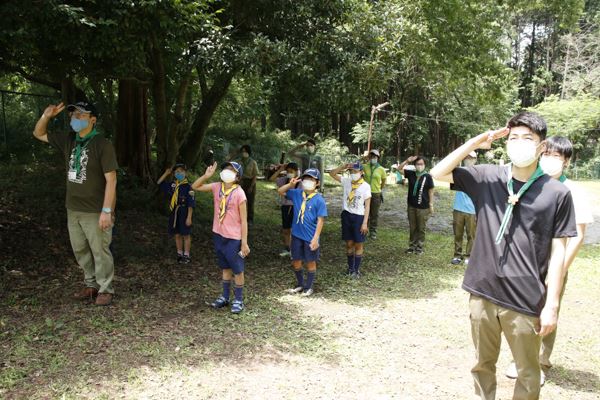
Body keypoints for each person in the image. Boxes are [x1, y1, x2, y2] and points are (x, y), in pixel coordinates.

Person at [430, 111, 577, 400]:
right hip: (482, 291)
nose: (519, 143)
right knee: (482, 364)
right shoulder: (487, 177)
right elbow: (437, 173)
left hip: (524, 298)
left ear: (541, 145)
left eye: (527, 138)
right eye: (513, 138)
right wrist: (476, 141)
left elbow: (559, 251)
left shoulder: (557, 193)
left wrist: (552, 305)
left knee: (527, 372)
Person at [505, 135, 594, 384]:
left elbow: (577, 236)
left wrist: (558, 270)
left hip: (553, 266)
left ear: (566, 162)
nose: (550, 160)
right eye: (546, 154)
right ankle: (519, 359)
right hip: (526, 264)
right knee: (521, 313)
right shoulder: (530, 184)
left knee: (546, 313)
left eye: (556, 156)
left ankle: (541, 362)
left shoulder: (572, 191)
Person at [33, 101, 118, 306]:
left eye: (80, 115)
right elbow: (38, 134)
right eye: (73, 115)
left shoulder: (102, 144)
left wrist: (107, 210)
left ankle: (105, 289)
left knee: (100, 251)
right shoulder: (69, 140)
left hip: (95, 210)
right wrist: (46, 116)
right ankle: (91, 285)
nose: (75, 118)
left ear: (92, 119)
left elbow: (112, 180)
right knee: (80, 250)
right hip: (73, 208)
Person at [191, 161, 250, 314]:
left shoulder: (239, 193)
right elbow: (195, 187)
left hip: (234, 238)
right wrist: (206, 175)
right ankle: (225, 297)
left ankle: (238, 299)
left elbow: (244, 220)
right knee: (225, 267)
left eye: (232, 170)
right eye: (226, 169)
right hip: (218, 234)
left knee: (237, 270)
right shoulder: (217, 186)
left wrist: (244, 242)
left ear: (238, 177)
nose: (227, 172)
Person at [277, 168, 327, 296]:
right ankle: (300, 284)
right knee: (296, 261)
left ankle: (308, 287)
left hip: (310, 237)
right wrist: (290, 184)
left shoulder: (319, 200)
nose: (307, 182)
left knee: (310, 261)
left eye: (311, 179)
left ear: (317, 183)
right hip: (296, 235)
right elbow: (280, 191)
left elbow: (321, 220)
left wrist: (316, 238)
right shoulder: (297, 193)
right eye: (305, 179)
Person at [329, 162, 371, 278]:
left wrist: (365, 223)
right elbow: (332, 174)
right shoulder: (347, 181)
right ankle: (350, 268)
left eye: (356, 172)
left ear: (361, 173)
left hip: (359, 217)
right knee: (349, 243)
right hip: (346, 215)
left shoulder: (366, 186)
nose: (353, 174)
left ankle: (356, 270)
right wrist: (342, 167)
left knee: (358, 244)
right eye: (352, 172)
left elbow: (367, 206)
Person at [157, 163, 195, 264]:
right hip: (174, 212)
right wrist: (166, 173)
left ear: (185, 173)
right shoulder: (173, 185)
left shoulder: (189, 187)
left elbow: (191, 203)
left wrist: (189, 217)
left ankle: (186, 255)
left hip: (184, 211)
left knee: (186, 234)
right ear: (174, 174)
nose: (179, 173)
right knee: (177, 234)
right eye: (177, 172)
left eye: (181, 171)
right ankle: (179, 253)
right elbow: (159, 183)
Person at [398, 156, 434, 254]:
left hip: (423, 207)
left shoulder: (428, 176)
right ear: (415, 165)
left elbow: (431, 191)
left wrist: (431, 205)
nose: (419, 166)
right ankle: (412, 246)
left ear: (424, 165)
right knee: (412, 227)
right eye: (418, 164)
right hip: (411, 206)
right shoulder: (411, 174)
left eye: (421, 164)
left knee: (421, 227)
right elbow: (399, 169)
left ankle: (420, 247)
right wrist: (407, 160)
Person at [450, 151, 477, 265]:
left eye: (471, 158)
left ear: (475, 159)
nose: (469, 159)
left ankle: (469, 256)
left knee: (471, 235)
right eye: (466, 157)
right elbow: (450, 168)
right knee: (458, 233)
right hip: (458, 208)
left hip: (472, 210)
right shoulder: (459, 172)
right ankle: (457, 255)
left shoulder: (479, 173)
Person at [269, 162, 301, 257]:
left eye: (291, 171)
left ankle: (295, 250)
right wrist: (280, 169)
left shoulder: (300, 182)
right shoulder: (283, 180)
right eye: (287, 171)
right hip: (285, 207)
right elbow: (271, 179)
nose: (289, 173)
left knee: (294, 229)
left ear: (296, 172)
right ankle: (287, 248)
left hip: (295, 207)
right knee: (286, 229)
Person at [230, 144, 258, 224]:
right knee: (239, 200)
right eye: (242, 151)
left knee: (250, 201)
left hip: (250, 182)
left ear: (249, 152)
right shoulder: (238, 161)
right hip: (240, 181)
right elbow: (231, 167)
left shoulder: (253, 162)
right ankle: (238, 217)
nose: (244, 153)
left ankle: (250, 219)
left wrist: (251, 186)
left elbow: (255, 175)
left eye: (245, 151)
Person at [362, 149, 386, 239]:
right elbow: (355, 167)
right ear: (369, 157)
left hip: (376, 194)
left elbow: (383, 180)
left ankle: (373, 232)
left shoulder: (381, 169)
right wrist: (363, 158)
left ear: (378, 158)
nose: (373, 158)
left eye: (375, 157)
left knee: (374, 214)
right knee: (364, 213)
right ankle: (364, 229)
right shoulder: (365, 166)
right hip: (366, 193)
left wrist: (379, 188)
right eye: (371, 156)